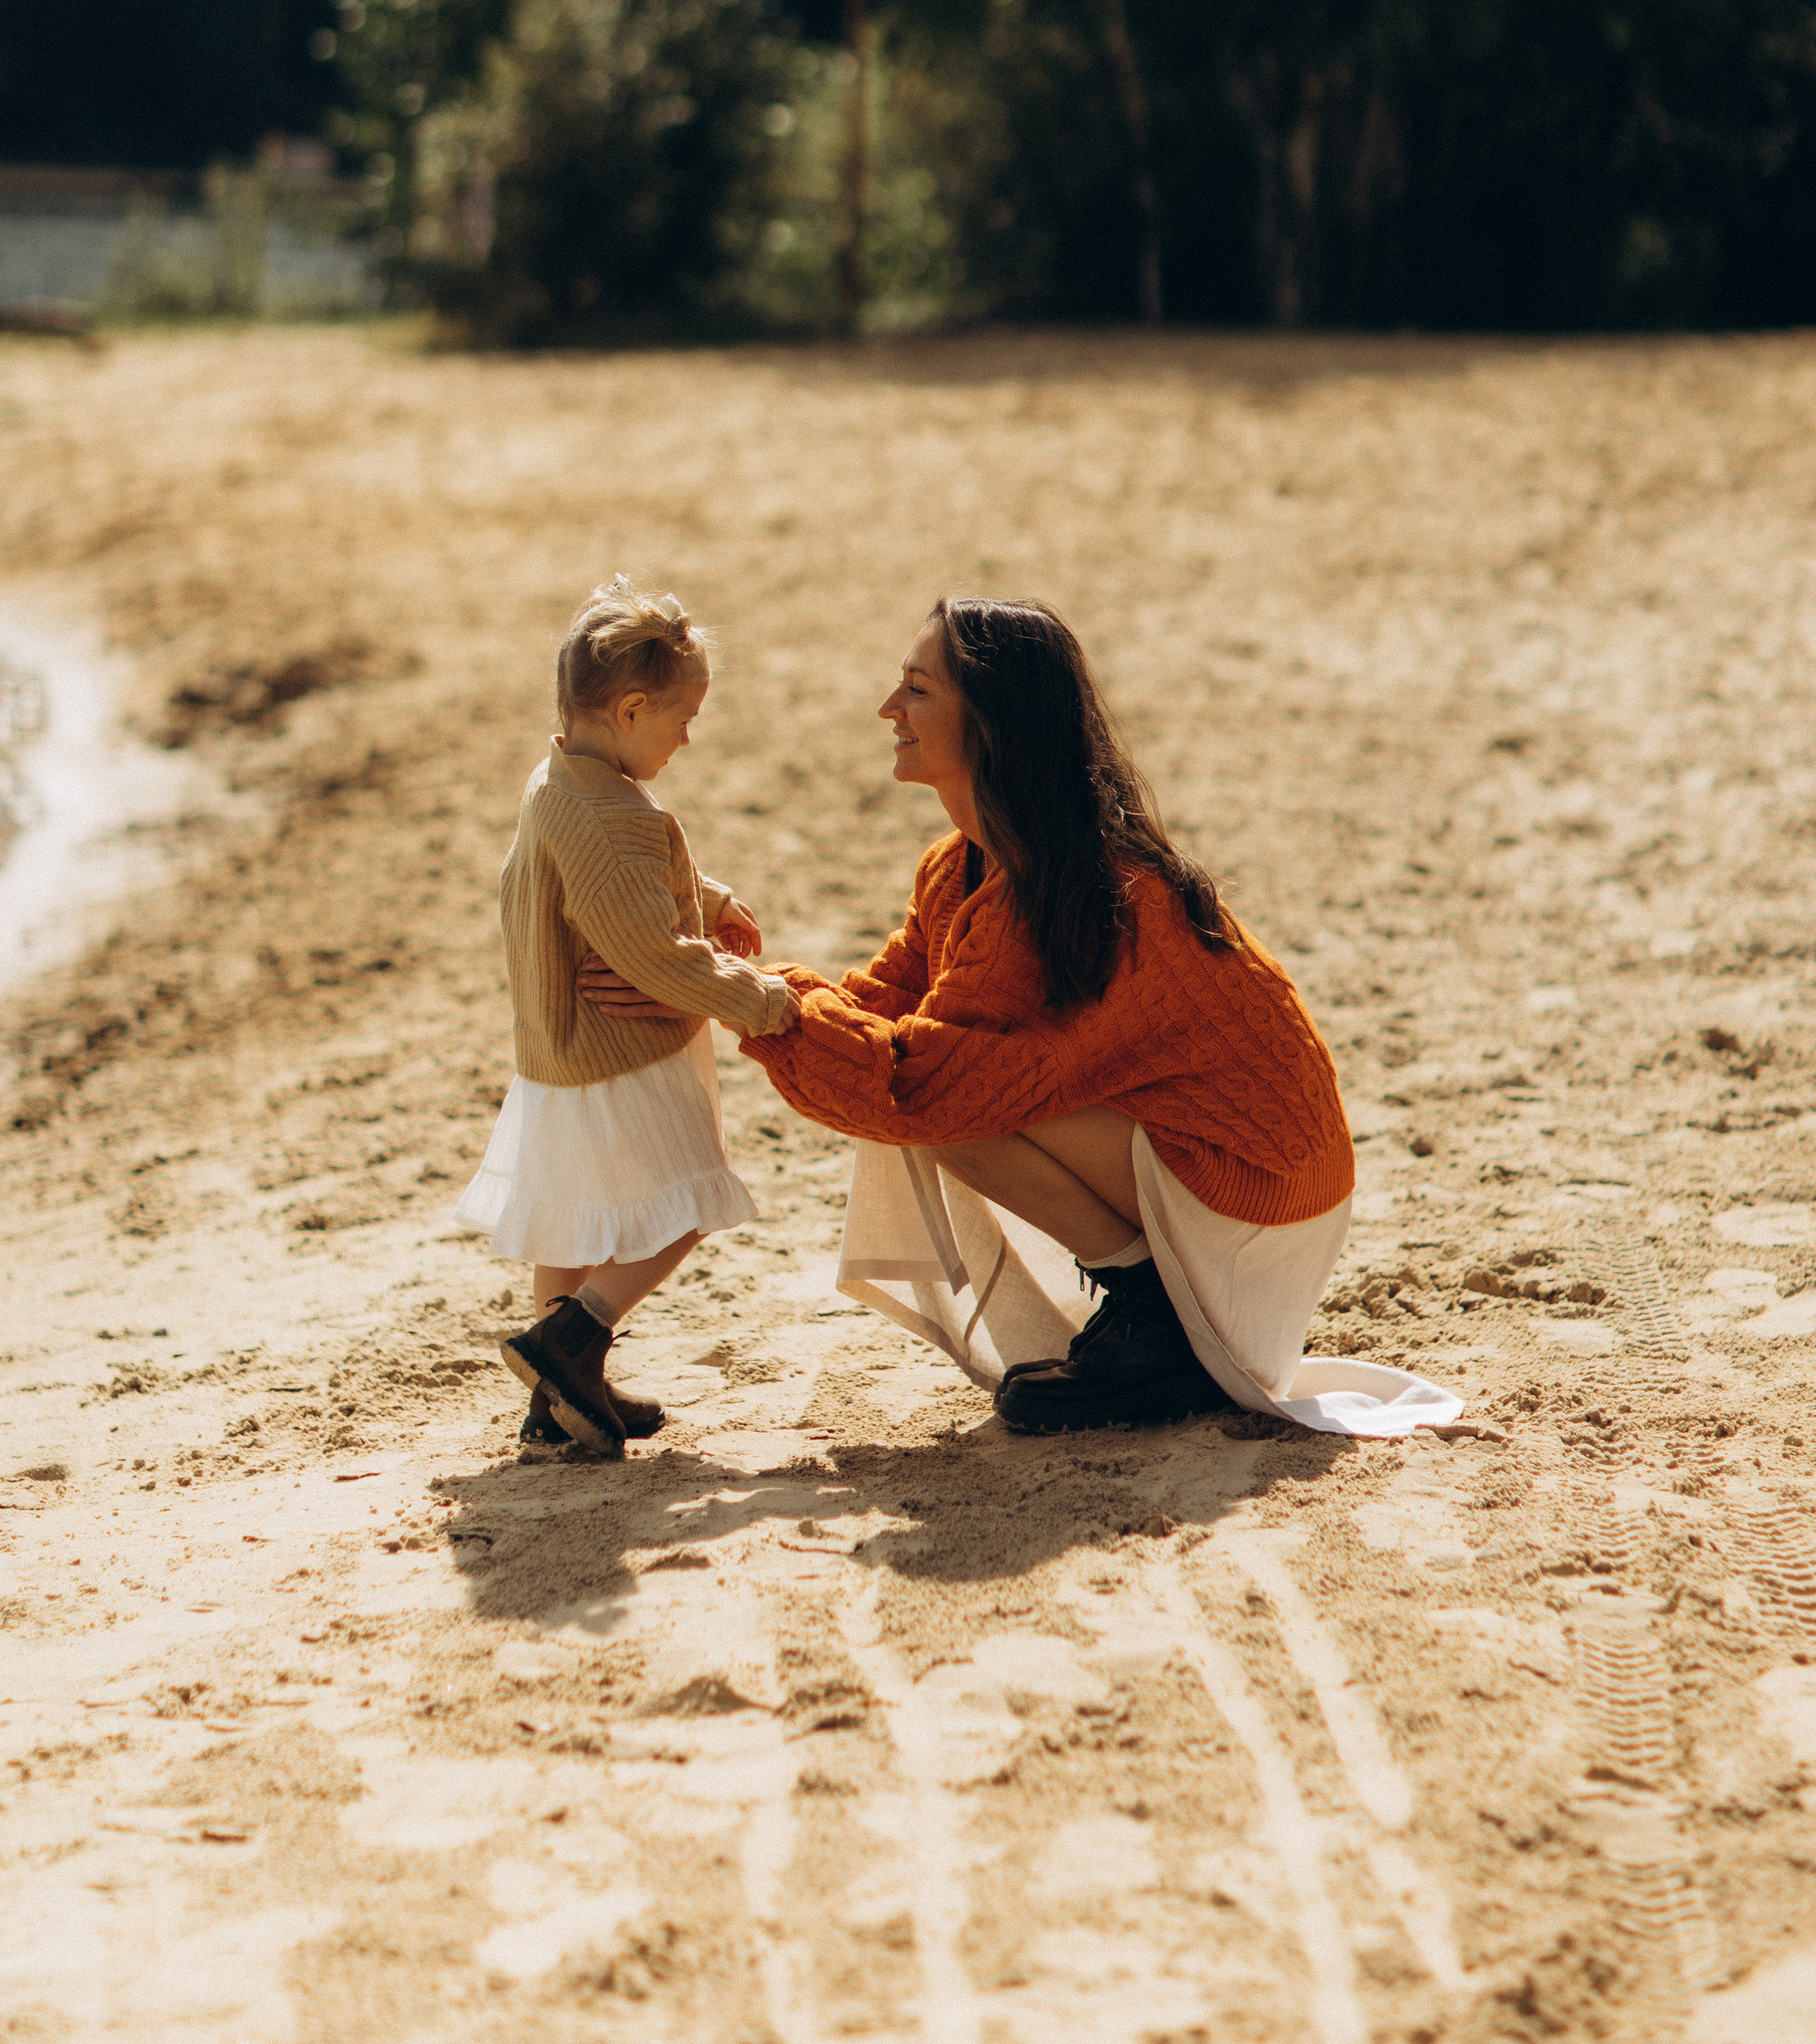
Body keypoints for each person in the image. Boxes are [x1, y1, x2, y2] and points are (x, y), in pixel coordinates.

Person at [580, 596, 1460, 1440]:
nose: (889, 709)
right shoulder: (961, 866)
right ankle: (1148, 1315)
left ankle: (1155, 1332)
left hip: (1262, 1190)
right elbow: (880, 1007)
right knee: (949, 1104)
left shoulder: (1072, 884)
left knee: (952, 1115)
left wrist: (746, 996)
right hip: (1210, 1164)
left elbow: (916, 1080)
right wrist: (712, 978)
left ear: (993, 723)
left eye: (917, 689)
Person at [454, 574, 796, 1460]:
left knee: (569, 1219)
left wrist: (705, 897)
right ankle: (571, 1339)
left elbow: (619, 879)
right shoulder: (610, 815)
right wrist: (757, 999)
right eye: (684, 720)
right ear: (633, 710)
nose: (687, 739)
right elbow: (652, 953)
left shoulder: (559, 780)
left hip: (555, 1053)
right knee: (687, 1203)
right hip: (624, 1054)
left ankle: (557, 1399)